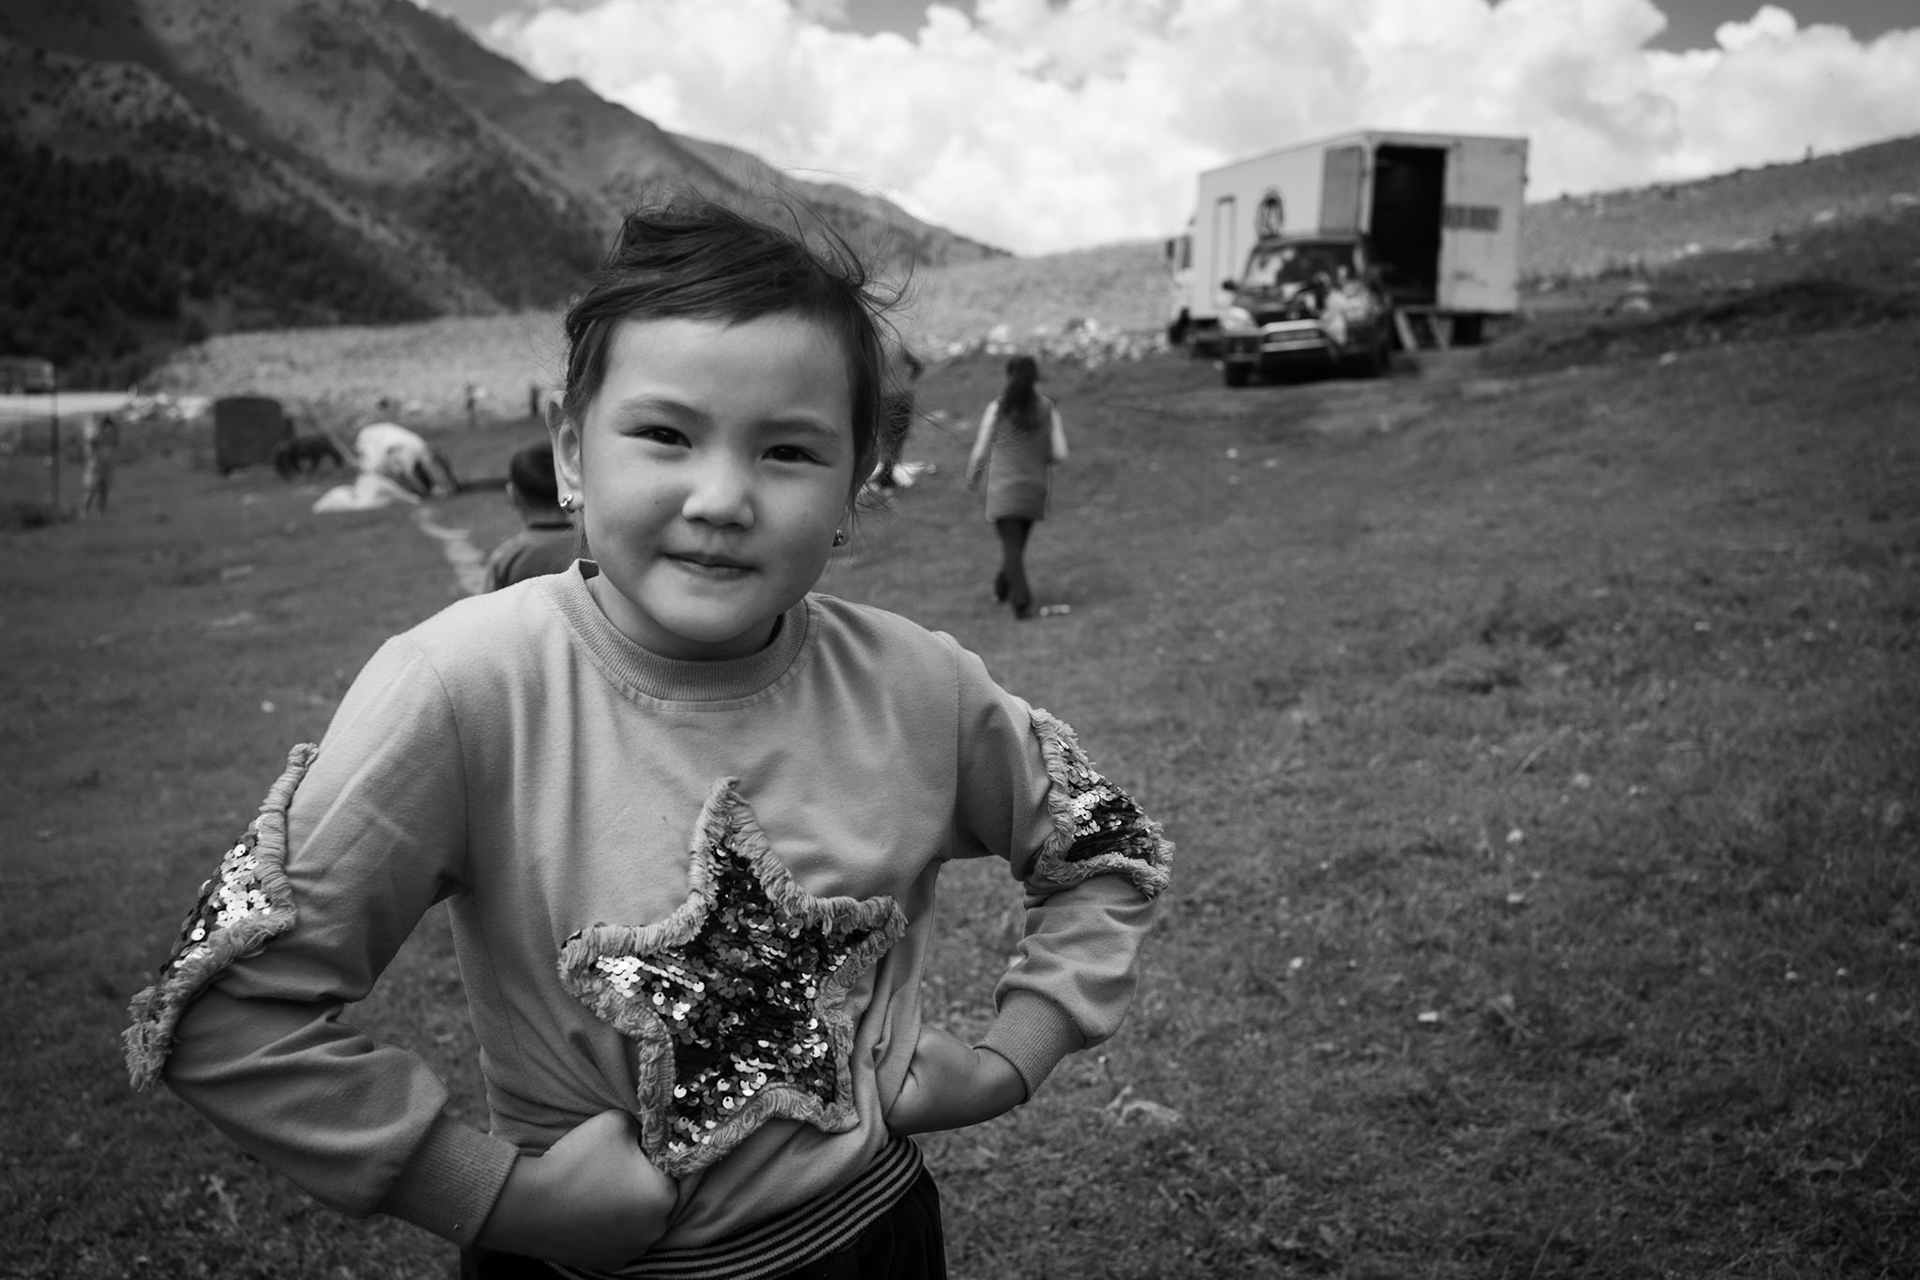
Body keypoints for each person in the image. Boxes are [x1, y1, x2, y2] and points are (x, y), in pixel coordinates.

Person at [124, 198, 1171, 1279]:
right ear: (574, 450)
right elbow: (223, 1012)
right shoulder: (463, 688)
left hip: (874, 1242)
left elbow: (1107, 849)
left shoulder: (923, 684)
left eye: (789, 450)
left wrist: (1011, 1056)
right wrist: (502, 1195)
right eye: (666, 434)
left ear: (857, 485)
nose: (722, 498)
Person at [964, 355, 1069, 620]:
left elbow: (980, 450)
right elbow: (1059, 453)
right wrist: (1037, 455)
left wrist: (972, 477)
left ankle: (1021, 602)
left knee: (1012, 546)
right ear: (1036, 377)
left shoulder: (998, 408)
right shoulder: (1047, 409)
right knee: (1015, 545)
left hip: (1003, 489)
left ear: (1008, 375)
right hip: (1034, 488)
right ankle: (1001, 589)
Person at [483, 440, 577, 591]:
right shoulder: (594, 548)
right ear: (569, 488)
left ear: (513, 495)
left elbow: (488, 610)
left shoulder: (507, 559)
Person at [80, 412, 119, 517]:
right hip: (94, 465)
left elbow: (116, 439)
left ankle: (100, 514)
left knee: (104, 490)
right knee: (90, 490)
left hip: (107, 465)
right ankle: (84, 513)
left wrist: (112, 424)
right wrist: (99, 426)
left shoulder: (107, 431)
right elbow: (92, 441)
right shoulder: (90, 431)